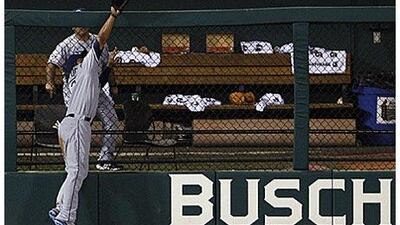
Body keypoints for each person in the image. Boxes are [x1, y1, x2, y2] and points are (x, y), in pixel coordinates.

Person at [48, 5, 123, 225]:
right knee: (77, 172)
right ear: (79, 64)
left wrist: (108, 67)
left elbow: (97, 85)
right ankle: (66, 217)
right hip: (78, 124)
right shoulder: (85, 67)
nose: (87, 57)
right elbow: (100, 38)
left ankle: (60, 206)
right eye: (83, 58)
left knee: (75, 171)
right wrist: (112, 16)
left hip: (69, 124)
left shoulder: (79, 76)